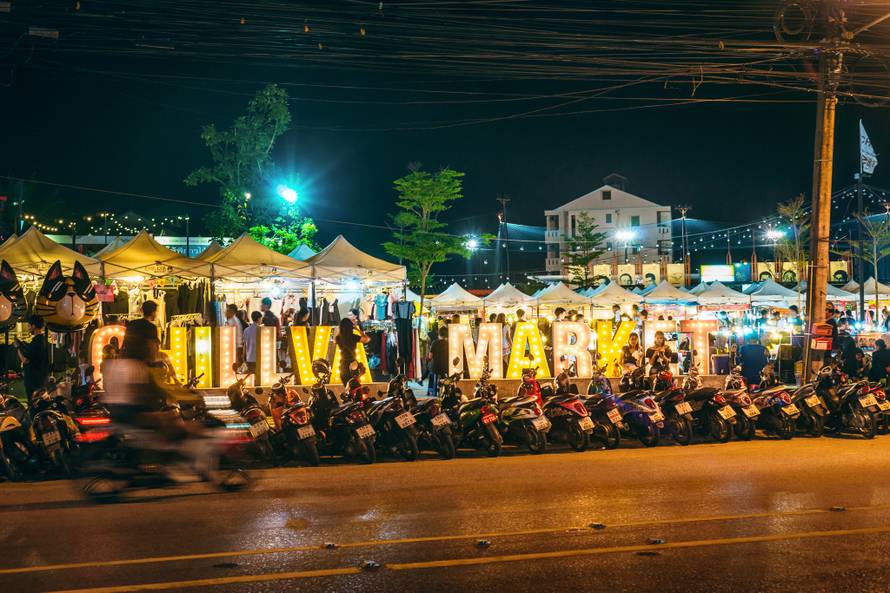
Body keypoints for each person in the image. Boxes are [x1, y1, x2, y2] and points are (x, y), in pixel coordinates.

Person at [16, 315, 49, 407]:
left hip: (33, 382)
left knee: (34, 407)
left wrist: (17, 347)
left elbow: (25, 360)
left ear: (33, 326)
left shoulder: (36, 342)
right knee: (41, 406)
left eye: (29, 325)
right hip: (41, 380)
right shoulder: (43, 340)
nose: (28, 328)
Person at [335, 318, 370, 386]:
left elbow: (334, 340)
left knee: (346, 386)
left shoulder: (338, 338)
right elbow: (367, 339)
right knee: (355, 385)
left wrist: (340, 330)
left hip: (343, 364)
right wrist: (357, 329)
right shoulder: (353, 337)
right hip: (353, 363)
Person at [427, 326, 449, 396]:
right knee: (444, 374)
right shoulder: (449, 343)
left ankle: (431, 391)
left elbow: (430, 356)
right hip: (446, 367)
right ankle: (445, 390)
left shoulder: (434, 342)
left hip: (435, 367)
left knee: (430, 369)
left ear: (439, 334)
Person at [224, 304, 244, 370]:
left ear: (231, 312)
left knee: (234, 363)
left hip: (235, 346)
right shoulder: (235, 320)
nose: (225, 312)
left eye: (227, 310)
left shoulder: (232, 321)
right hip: (237, 345)